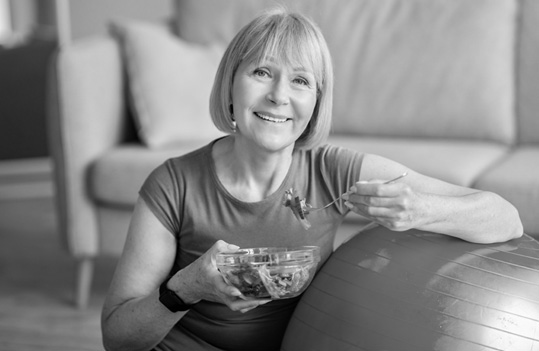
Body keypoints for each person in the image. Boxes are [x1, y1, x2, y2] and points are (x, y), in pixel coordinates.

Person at [101, 7, 523, 351]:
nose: (279, 95)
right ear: (231, 85)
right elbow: (117, 336)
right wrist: (188, 287)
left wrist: (421, 209)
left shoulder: (332, 170)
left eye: (300, 81)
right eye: (262, 72)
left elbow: (505, 218)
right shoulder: (173, 183)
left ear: (315, 104)